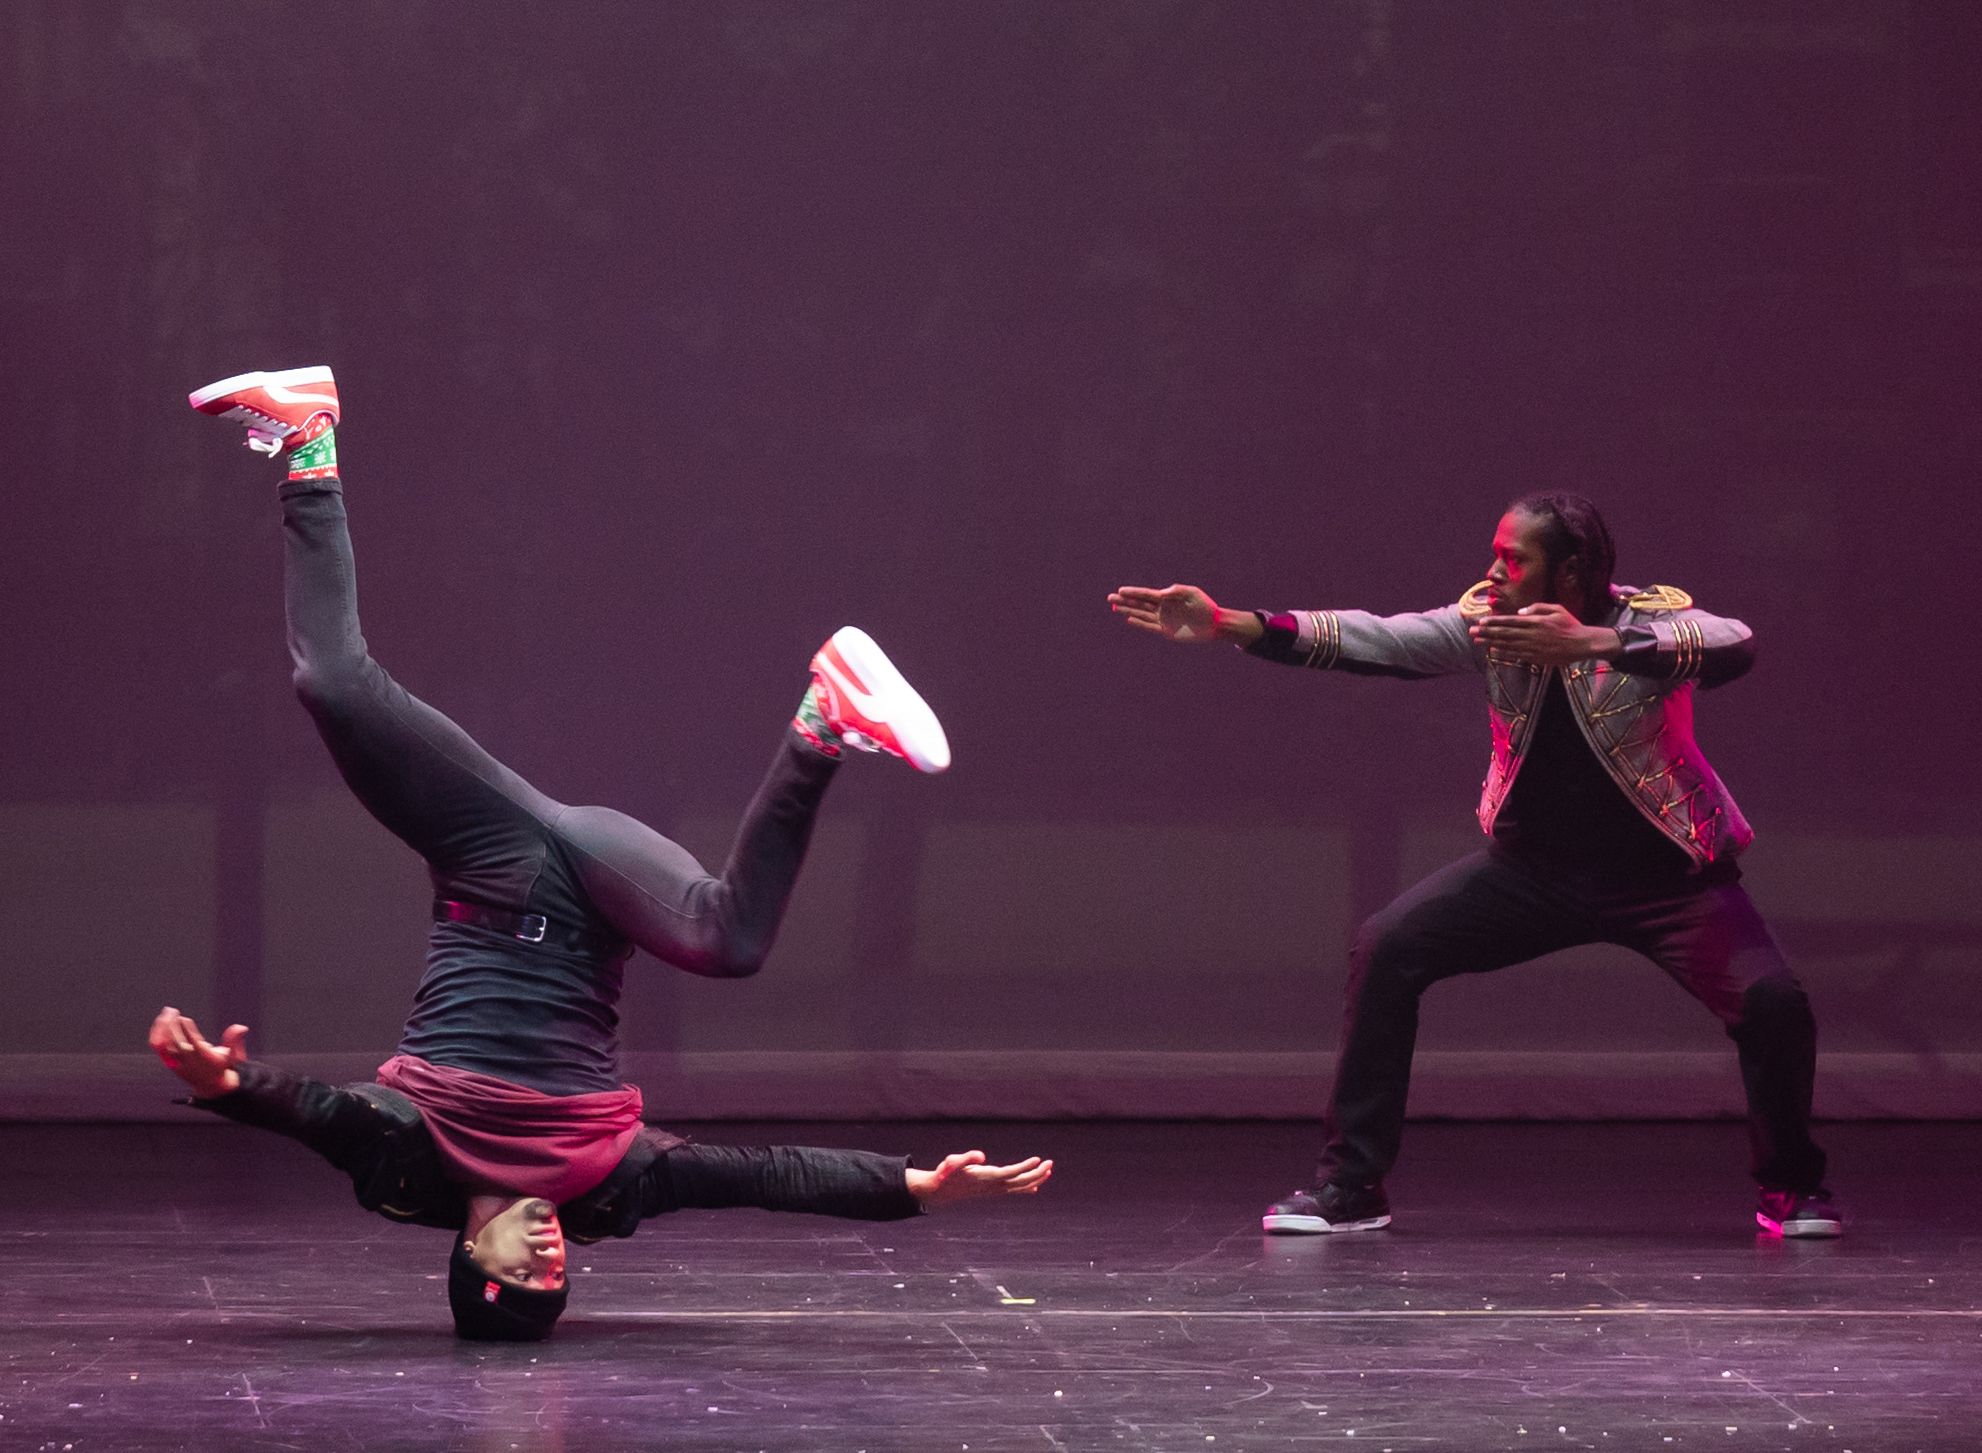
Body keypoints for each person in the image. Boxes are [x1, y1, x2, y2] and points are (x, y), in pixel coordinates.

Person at [153, 366, 1051, 1342]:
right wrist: (915, 1187)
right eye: (556, 1284)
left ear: (468, 1259)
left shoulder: (410, 1168)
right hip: (595, 898)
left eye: (519, 1280)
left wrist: (227, 1087)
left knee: (331, 682)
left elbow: (320, 1112)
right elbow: (759, 1176)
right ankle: (823, 718)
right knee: (728, 940)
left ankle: (307, 438)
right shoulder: (605, 1188)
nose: (548, 1263)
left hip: (490, 865)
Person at [1108, 494, 1838, 1239]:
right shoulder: (1489, 626)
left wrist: (1593, 647)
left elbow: (1734, 643)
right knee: (1389, 946)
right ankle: (1352, 1185)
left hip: (1668, 883)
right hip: (1534, 874)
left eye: (1514, 558)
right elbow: (1382, 640)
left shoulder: (1646, 624)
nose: (1493, 570)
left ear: (1575, 571)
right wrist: (1235, 623)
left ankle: (1792, 1191)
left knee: (1774, 1003)